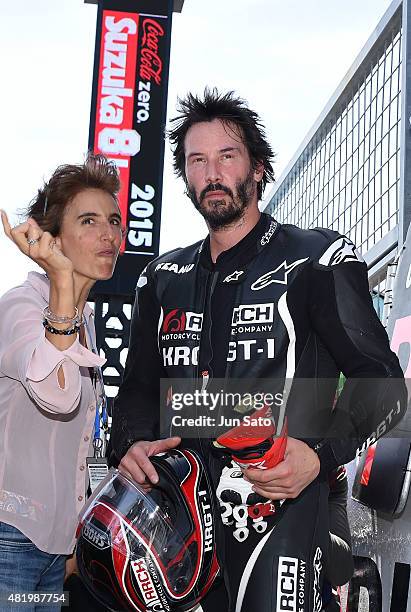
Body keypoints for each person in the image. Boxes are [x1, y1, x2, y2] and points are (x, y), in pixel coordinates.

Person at [110, 89, 407, 612]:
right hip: (177, 525)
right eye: (196, 161)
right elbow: (136, 392)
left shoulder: (316, 258)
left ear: (259, 168)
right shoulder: (161, 277)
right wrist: (131, 441)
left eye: (227, 156)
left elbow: (384, 384)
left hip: (281, 512)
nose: (212, 172)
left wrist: (318, 455)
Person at [0, 153, 122, 611]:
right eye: (88, 221)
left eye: (113, 220)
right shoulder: (22, 307)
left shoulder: (84, 326)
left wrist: (83, 528)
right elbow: (56, 393)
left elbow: (86, 446)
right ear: (51, 238)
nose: (108, 234)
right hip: (9, 542)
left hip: (57, 556)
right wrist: (61, 281)